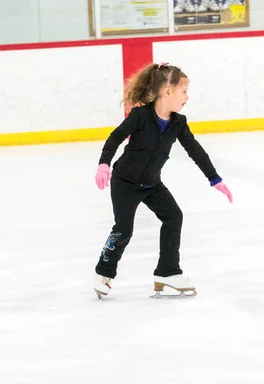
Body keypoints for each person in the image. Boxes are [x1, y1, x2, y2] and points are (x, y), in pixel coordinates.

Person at [92, 62, 233, 299]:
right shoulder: (140, 116)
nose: (187, 97)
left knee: (173, 216)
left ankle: (167, 273)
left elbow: (196, 151)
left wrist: (214, 178)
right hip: (125, 182)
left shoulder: (178, 123)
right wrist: (104, 163)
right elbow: (115, 138)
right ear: (167, 92)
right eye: (184, 91)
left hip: (152, 183)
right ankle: (103, 273)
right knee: (123, 229)